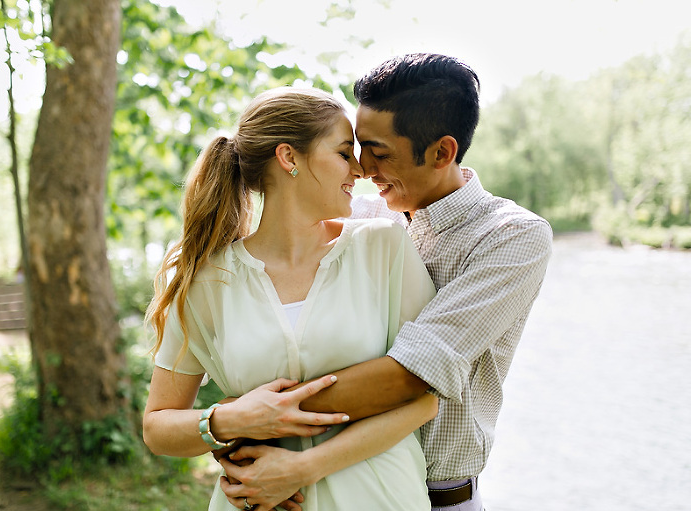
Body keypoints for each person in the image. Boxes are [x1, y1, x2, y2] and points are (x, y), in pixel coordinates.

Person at [218, 54, 554, 511]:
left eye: (380, 152)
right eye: (357, 148)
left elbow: (411, 374)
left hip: (437, 498)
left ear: (442, 153)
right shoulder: (356, 220)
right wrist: (233, 422)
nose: (362, 168)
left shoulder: (511, 237)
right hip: (326, 487)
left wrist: (251, 419)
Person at [142, 86, 440, 511]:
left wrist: (304, 468)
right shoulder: (208, 280)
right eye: (344, 153)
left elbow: (425, 398)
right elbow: (157, 427)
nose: (359, 170)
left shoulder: (384, 246)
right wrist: (229, 419)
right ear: (289, 158)